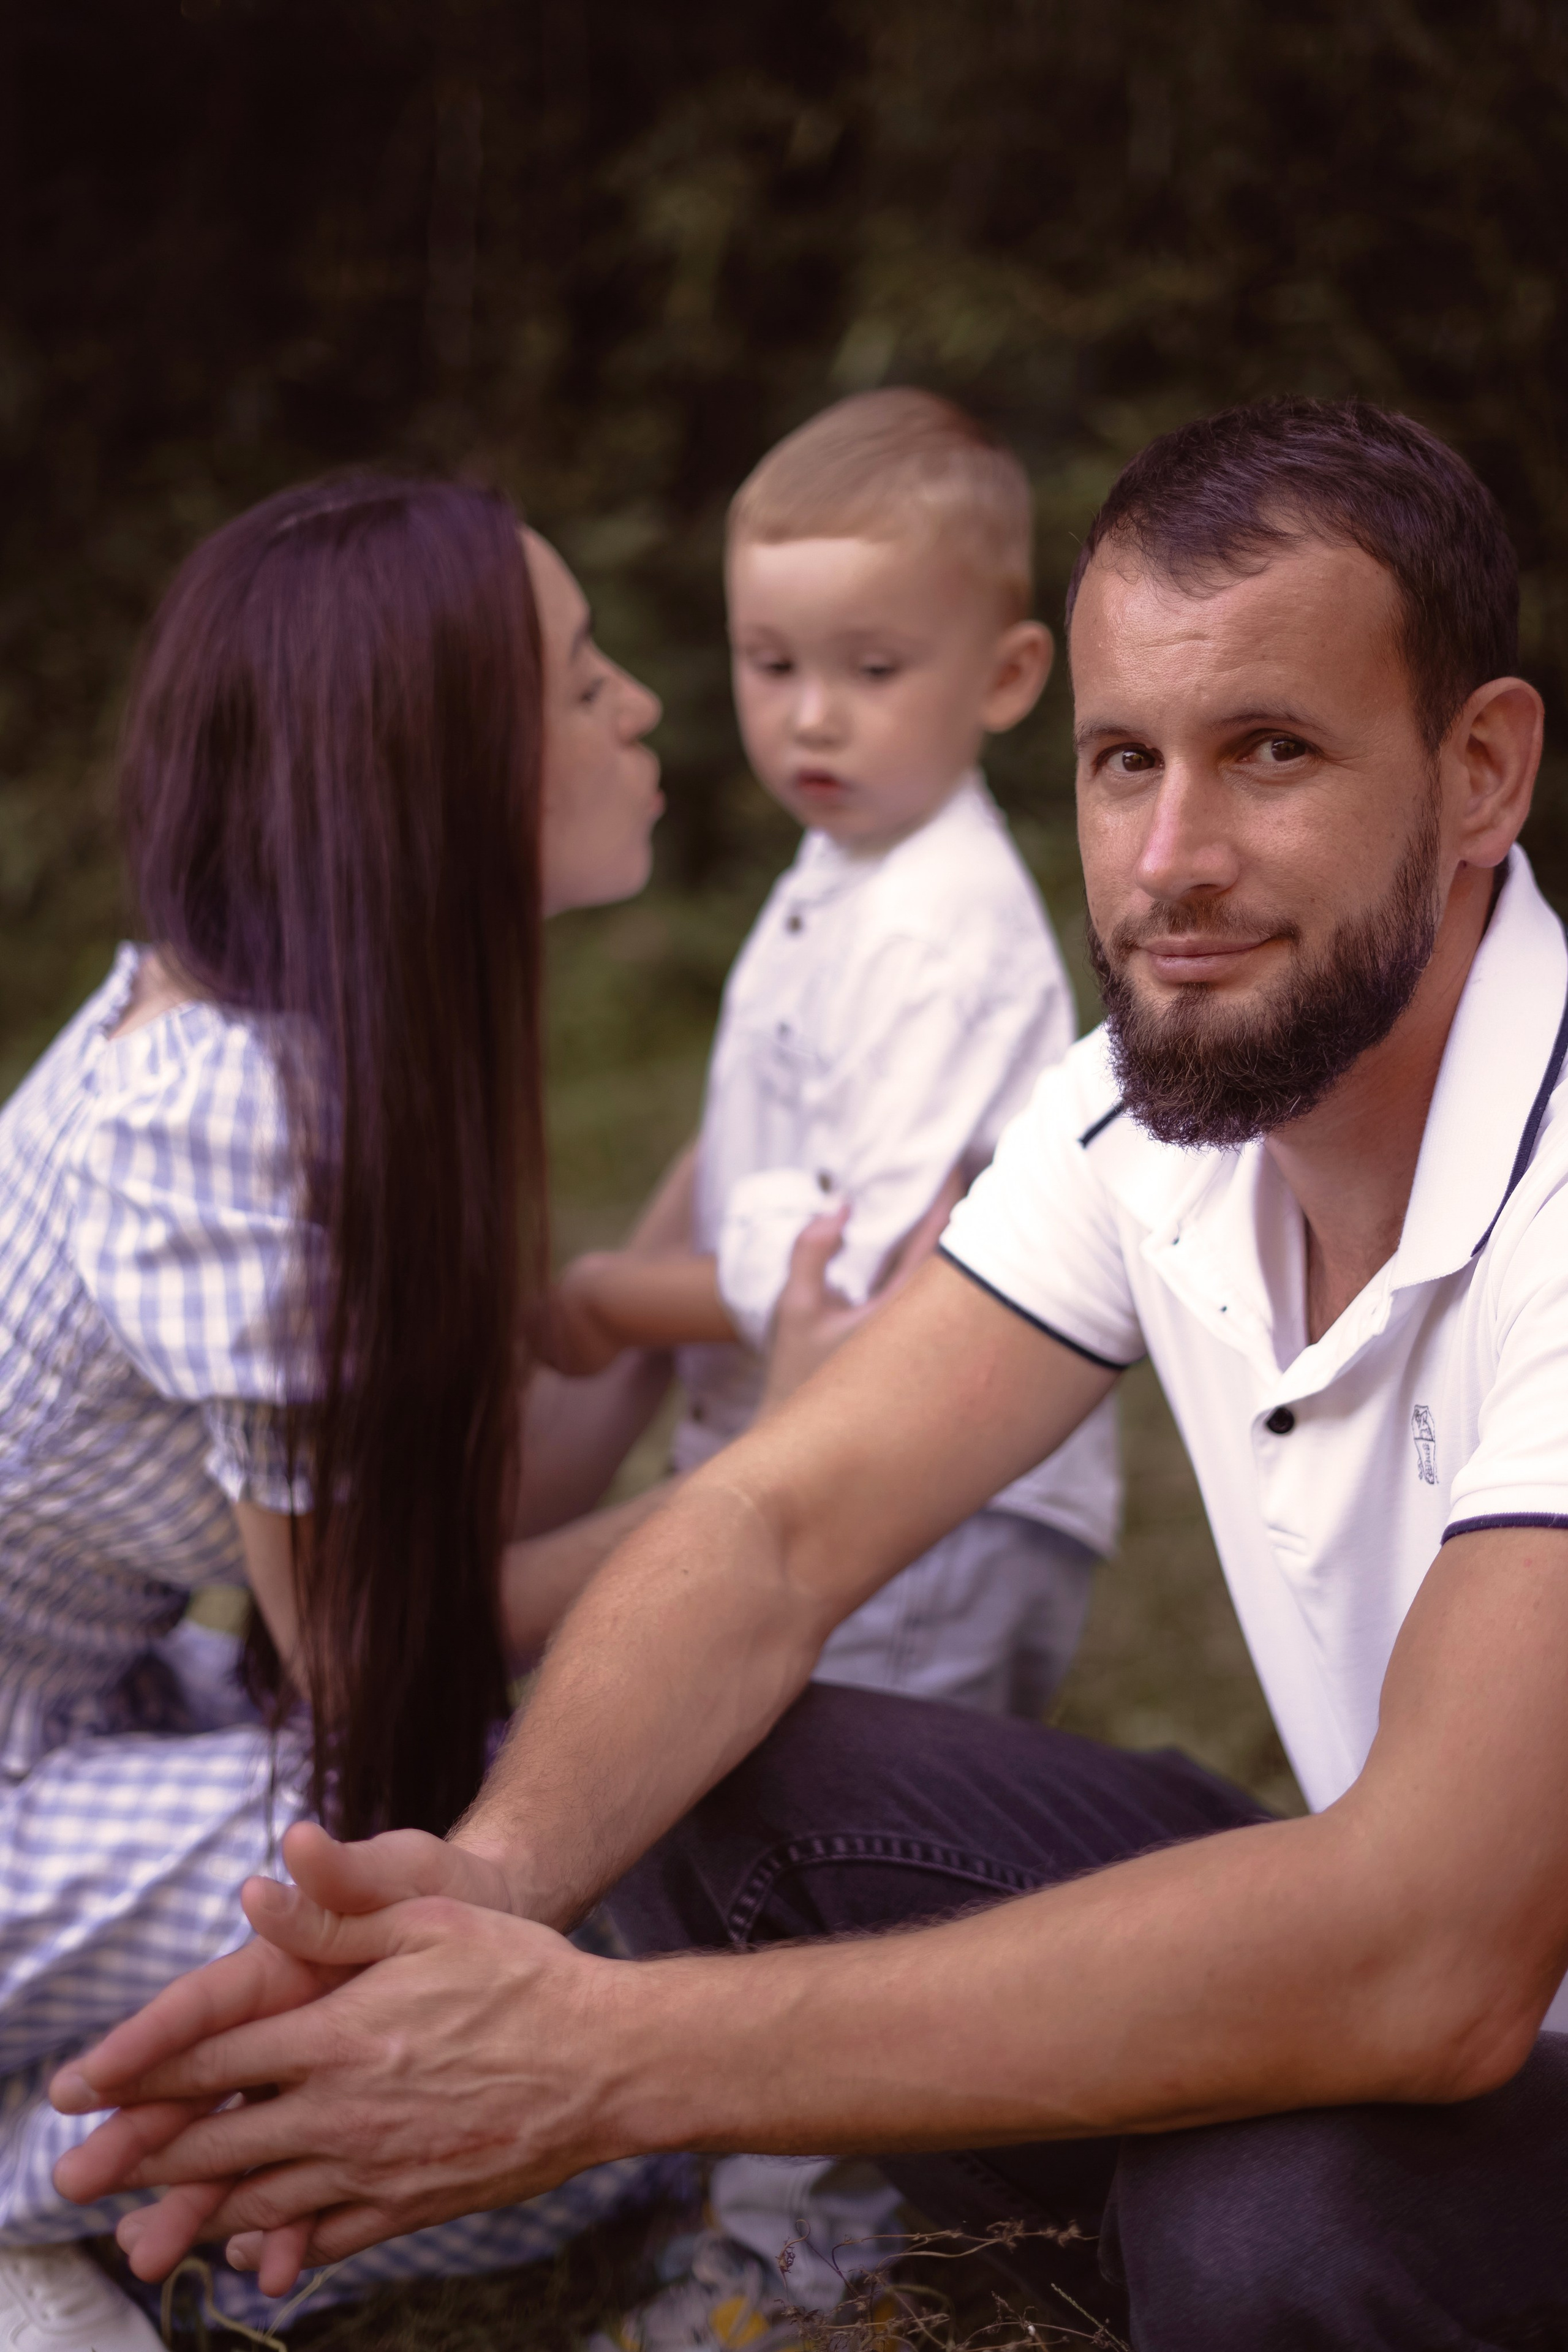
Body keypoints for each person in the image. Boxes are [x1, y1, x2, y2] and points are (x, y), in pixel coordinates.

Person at [55, 397, 1568, 2349]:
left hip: (1466, 1964)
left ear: (1479, 772)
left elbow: (1434, 1954)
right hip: (1414, 1945)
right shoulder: (1148, 1110)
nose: (1173, 862)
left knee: (1267, 2211)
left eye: (1270, 751)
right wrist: (500, 1888)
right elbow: (771, 1522)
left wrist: (597, 2059)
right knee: (711, 1760)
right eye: (1124, 763)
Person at [0, 475, 685, 2348]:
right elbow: (384, 1656)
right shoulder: (218, 1122)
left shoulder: (262, 1041)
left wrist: (712, 1216)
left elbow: (436, 1545)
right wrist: (784, 1491)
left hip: (84, 1713)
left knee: (585, 1854)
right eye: (578, 678)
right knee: (560, 1958)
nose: (635, 707)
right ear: (429, 776)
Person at [552, 390, 1120, 1722]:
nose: (810, 718)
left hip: (935, 1497)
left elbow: (858, 1266)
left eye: (870, 671)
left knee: (838, 1821)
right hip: (846, 1460)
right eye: (770, 663)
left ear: (1004, 677)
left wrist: (607, 1301)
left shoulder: (932, 926)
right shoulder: (848, 866)